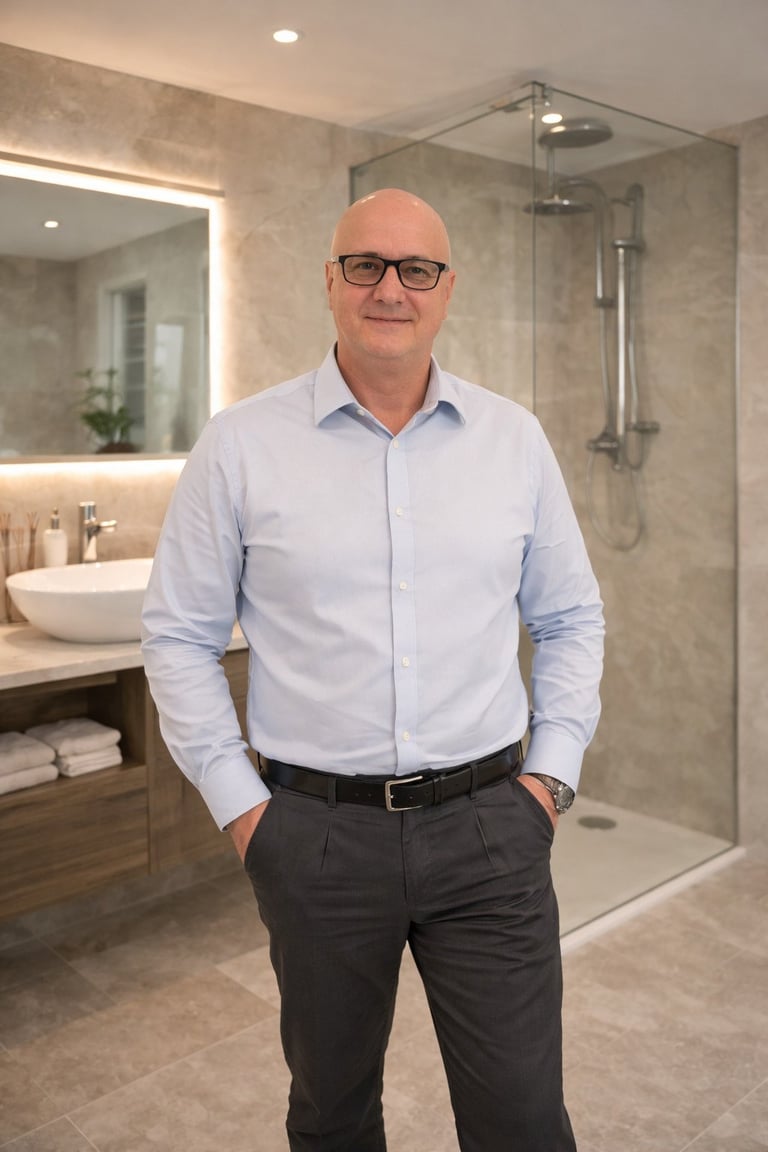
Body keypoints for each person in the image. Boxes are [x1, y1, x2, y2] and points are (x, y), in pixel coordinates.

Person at [141, 187, 604, 1152]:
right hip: (314, 840)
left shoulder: (513, 441)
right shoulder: (240, 445)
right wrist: (245, 810)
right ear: (331, 280)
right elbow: (178, 634)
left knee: (523, 1119)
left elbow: (567, 617)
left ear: (446, 290)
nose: (391, 288)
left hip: (491, 833)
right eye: (367, 265)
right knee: (332, 1113)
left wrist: (548, 781)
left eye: (416, 269)